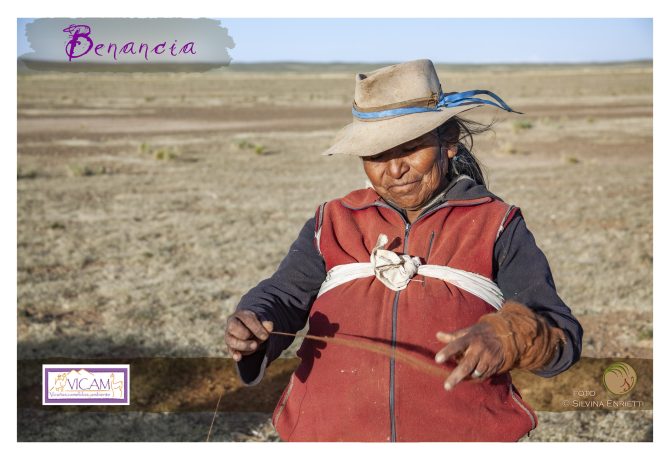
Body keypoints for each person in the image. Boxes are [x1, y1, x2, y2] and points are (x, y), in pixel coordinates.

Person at [224, 59, 583, 442]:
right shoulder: (333, 220)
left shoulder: (495, 224)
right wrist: (254, 319)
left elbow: (561, 335)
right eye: (376, 156)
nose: (394, 171)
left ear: (448, 146)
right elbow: (284, 295)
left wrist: (510, 335)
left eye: (410, 149)